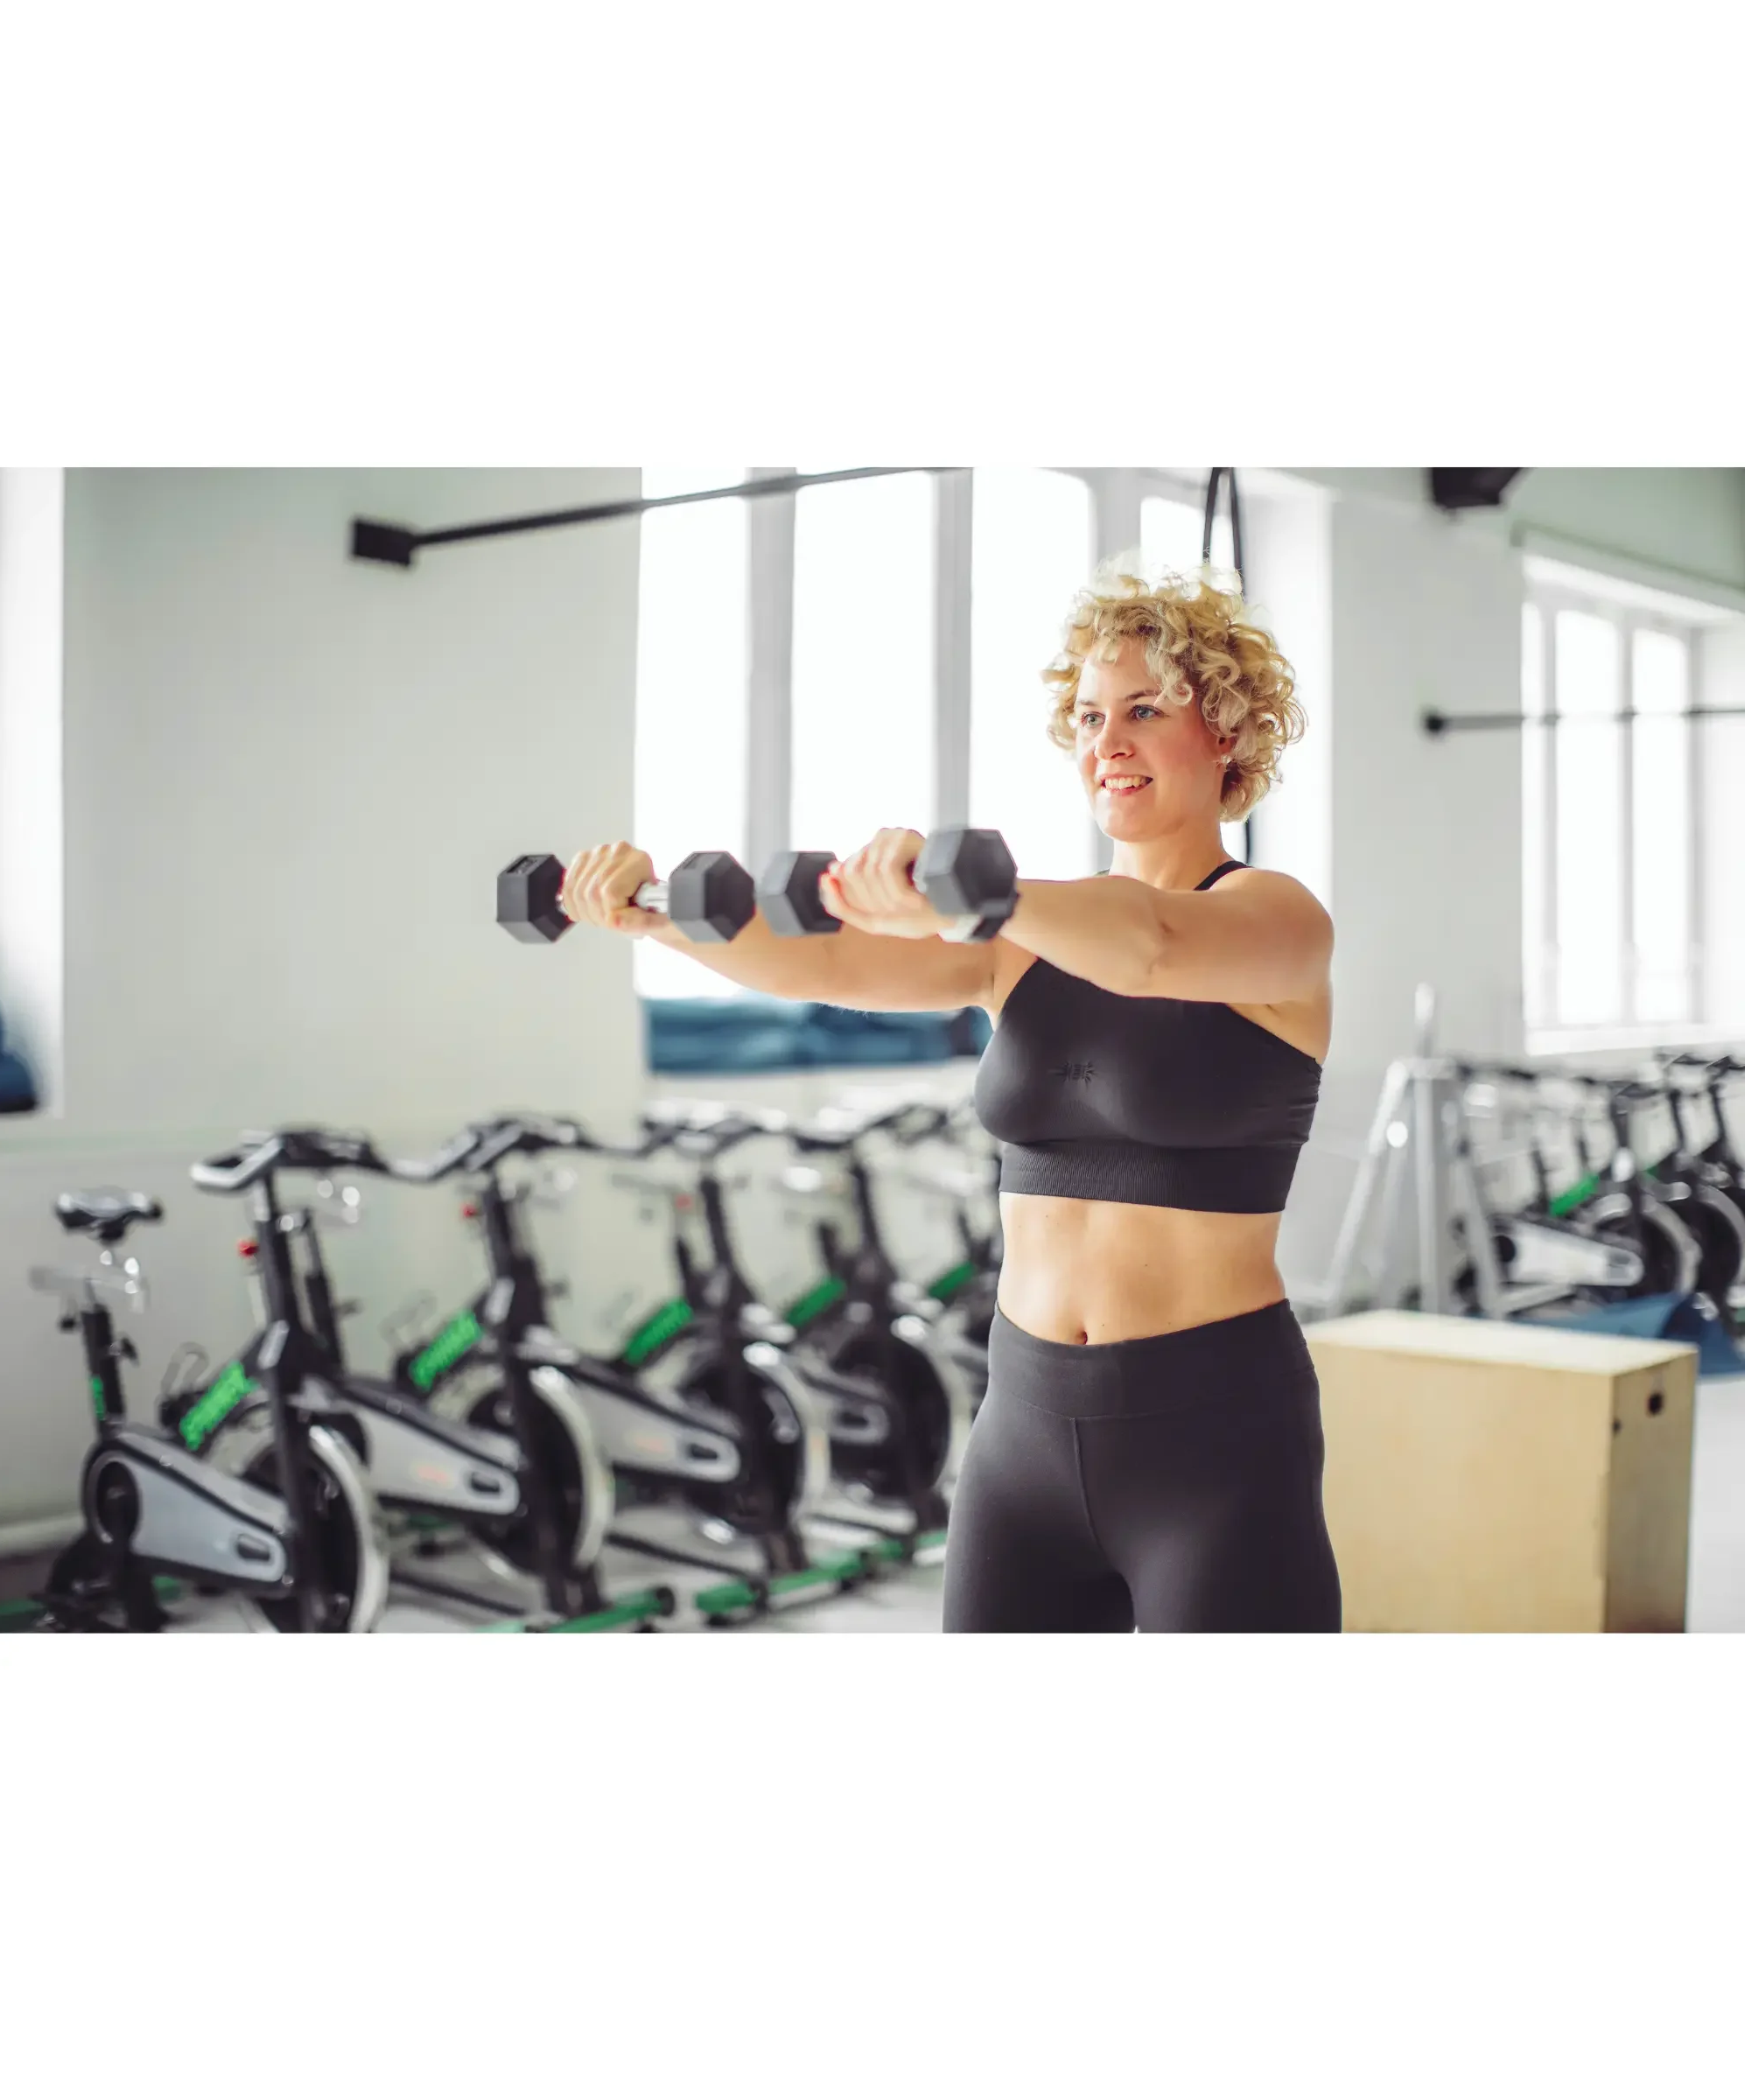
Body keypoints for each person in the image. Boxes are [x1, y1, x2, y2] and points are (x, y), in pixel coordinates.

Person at [559, 557, 1342, 1633]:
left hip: (1212, 1439)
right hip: (1019, 1429)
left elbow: (1150, 945)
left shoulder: (1275, 920)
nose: (1106, 742)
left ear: (1227, 733)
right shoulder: (1016, 948)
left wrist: (979, 894)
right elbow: (824, 968)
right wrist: (656, 919)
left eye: (1145, 710)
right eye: (1086, 716)